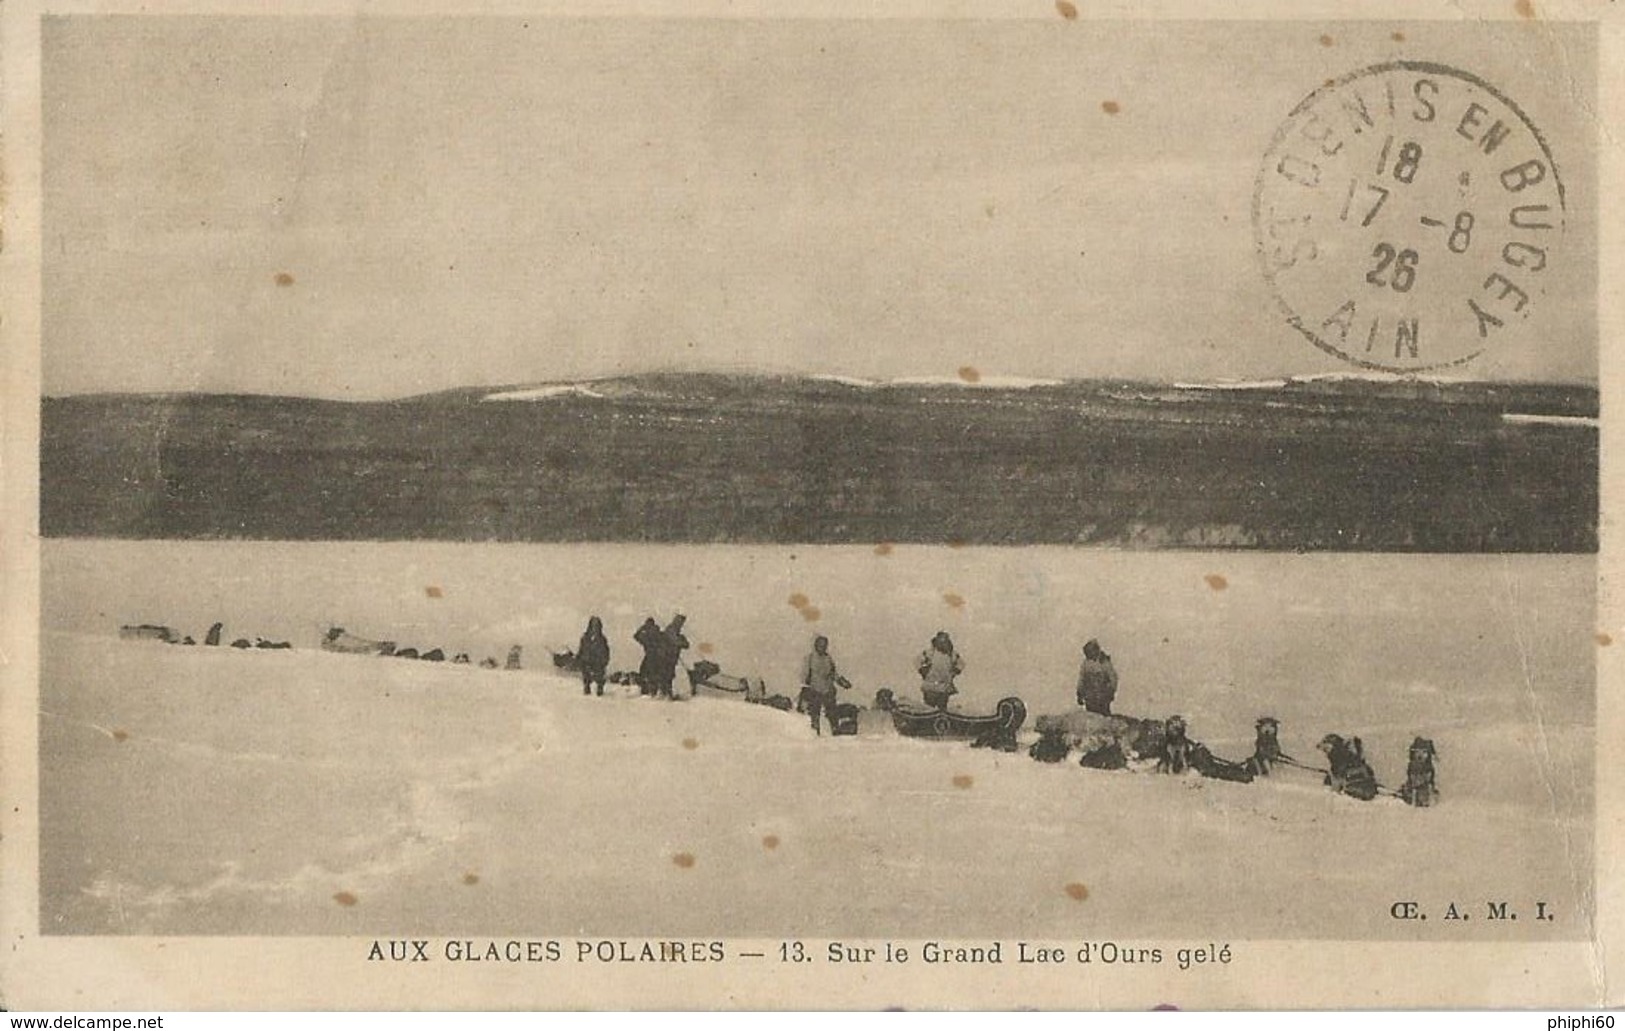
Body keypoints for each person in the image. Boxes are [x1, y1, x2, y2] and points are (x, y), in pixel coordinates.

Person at [799, 634, 851, 736]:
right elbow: (804, 675)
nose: (822, 647)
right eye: (820, 645)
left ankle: (835, 729)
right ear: (815, 646)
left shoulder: (828, 659)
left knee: (832, 711)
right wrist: (805, 687)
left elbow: (833, 673)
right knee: (815, 711)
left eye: (824, 645)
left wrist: (842, 682)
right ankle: (814, 731)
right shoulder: (810, 659)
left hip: (828, 690)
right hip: (815, 690)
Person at [916, 631, 963, 710]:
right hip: (930, 686)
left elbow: (961, 663)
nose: (942, 643)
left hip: (944, 688)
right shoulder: (930, 652)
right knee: (928, 708)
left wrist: (955, 671)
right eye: (940, 641)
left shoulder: (952, 654)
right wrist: (922, 670)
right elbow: (917, 660)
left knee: (942, 709)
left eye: (945, 641)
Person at [1076, 639, 1119, 716]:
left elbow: (1113, 679)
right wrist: (1079, 694)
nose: (1088, 655)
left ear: (1096, 650)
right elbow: (1082, 680)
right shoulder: (1086, 664)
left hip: (1103, 696)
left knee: (1104, 716)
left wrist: (1110, 692)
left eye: (1090, 652)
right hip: (1090, 696)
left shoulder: (1105, 663)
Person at [577, 616, 611, 697]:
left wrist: (605, 661)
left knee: (600, 678)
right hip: (587, 661)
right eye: (593, 625)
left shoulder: (602, 639)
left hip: (598, 663)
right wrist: (580, 659)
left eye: (597, 626)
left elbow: (606, 651)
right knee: (586, 678)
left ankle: (600, 690)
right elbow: (581, 649)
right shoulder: (585, 638)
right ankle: (587, 688)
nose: (595, 628)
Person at [634, 618, 664, 697]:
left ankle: (649, 691)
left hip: (650, 657)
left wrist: (642, 628)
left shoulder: (646, 636)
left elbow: (636, 636)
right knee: (654, 674)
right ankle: (654, 690)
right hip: (659, 657)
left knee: (645, 673)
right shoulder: (659, 633)